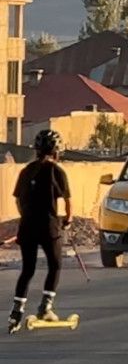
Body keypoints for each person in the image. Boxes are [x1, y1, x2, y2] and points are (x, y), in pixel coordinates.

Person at [9, 130, 72, 333]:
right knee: (55, 265)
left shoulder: (26, 170)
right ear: (56, 150)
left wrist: (26, 216)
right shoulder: (57, 171)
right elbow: (68, 201)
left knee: (28, 270)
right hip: (49, 227)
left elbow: (18, 199)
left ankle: (16, 311)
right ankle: (46, 306)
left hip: (27, 227)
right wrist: (67, 221)